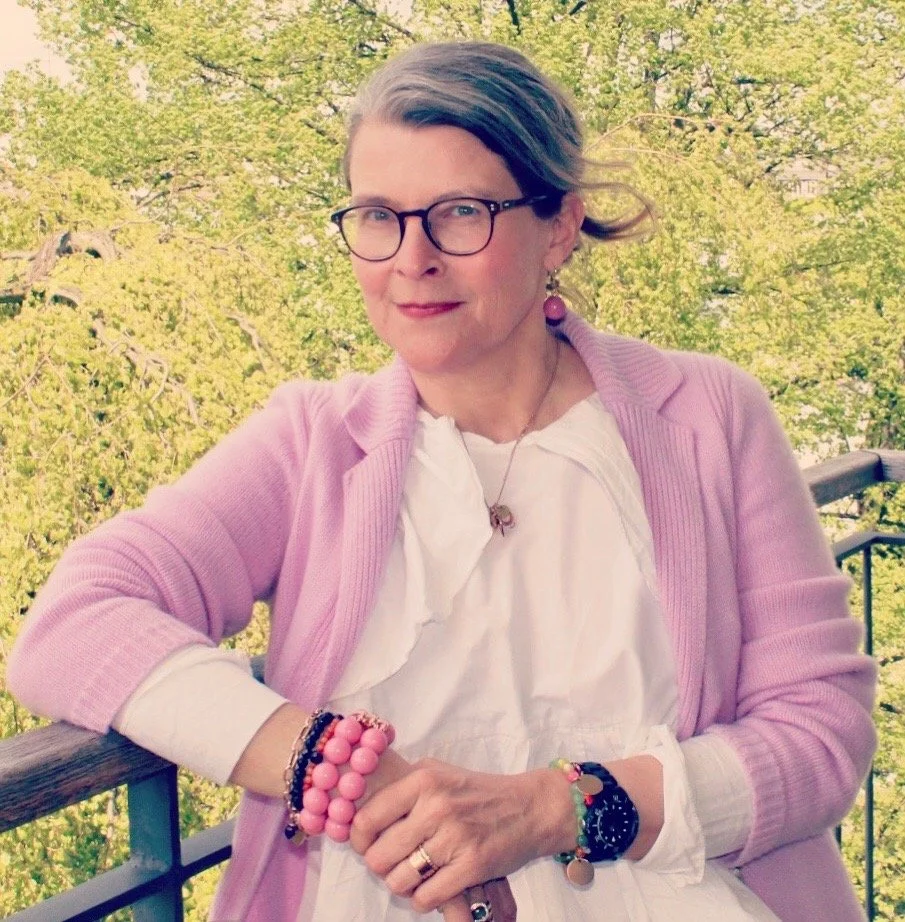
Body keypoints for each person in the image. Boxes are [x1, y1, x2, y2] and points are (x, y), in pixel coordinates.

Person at [8, 41, 876, 922]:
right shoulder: (311, 442)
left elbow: (818, 733)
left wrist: (552, 808)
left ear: (559, 226)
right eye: (378, 216)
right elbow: (78, 622)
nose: (410, 258)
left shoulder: (707, 417)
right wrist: (328, 763)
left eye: (461, 213)